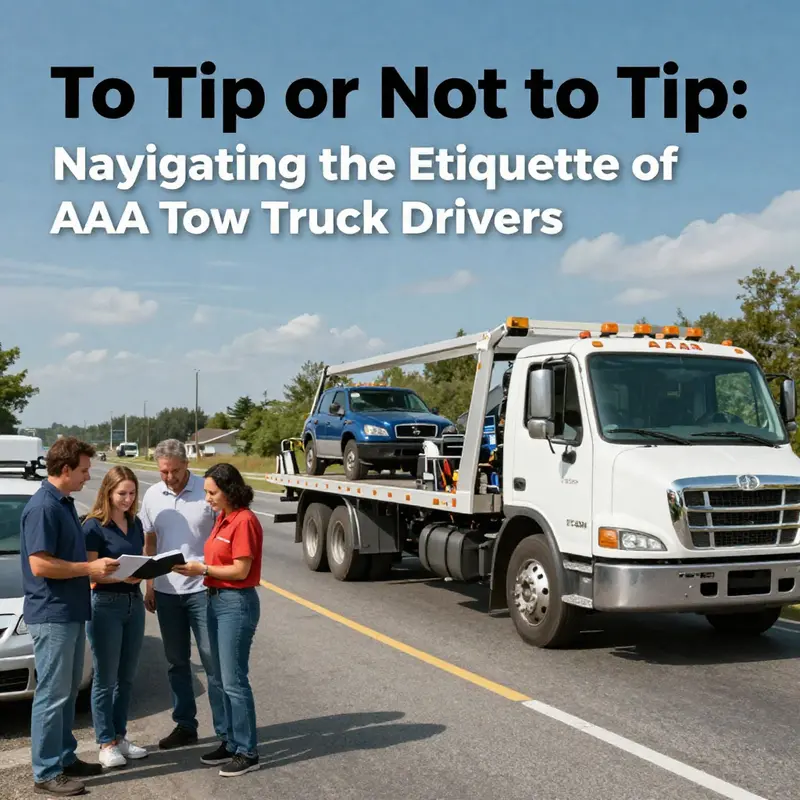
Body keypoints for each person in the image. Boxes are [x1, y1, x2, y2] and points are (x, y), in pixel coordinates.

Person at [20, 437, 120, 796]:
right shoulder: (43, 507)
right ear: (65, 470)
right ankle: (47, 771)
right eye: (83, 470)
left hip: (70, 612)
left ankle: (64, 757)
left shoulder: (61, 503)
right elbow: (40, 564)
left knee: (66, 692)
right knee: (52, 694)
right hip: (53, 614)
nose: (87, 476)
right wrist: (88, 568)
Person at [173, 463, 262, 777]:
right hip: (214, 599)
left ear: (229, 490)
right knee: (221, 679)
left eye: (212, 492)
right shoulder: (223, 518)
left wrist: (203, 570)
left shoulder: (244, 520)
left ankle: (248, 751)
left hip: (235, 604)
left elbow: (240, 570)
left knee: (234, 680)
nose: (207, 498)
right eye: (206, 492)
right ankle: (231, 742)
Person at [138, 439, 225, 750]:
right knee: (176, 662)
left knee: (213, 663)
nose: (169, 477)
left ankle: (225, 732)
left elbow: (224, 536)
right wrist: (150, 585)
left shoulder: (207, 492)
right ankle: (185, 726)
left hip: (204, 590)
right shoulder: (152, 495)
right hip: (166, 592)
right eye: (164, 472)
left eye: (175, 471)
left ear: (187, 464)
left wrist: (212, 572)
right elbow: (150, 542)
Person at [83, 465, 149, 768]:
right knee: (105, 679)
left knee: (127, 677)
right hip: (105, 605)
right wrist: (121, 578)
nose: (128, 499)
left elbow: (139, 558)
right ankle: (105, 742)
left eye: (132, 493)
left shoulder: (135, 523)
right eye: (122, 493)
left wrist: (145, 572)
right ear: (108, 492)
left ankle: (120, 736)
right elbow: (90, 574)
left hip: (133, 603)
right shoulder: (93, 527)